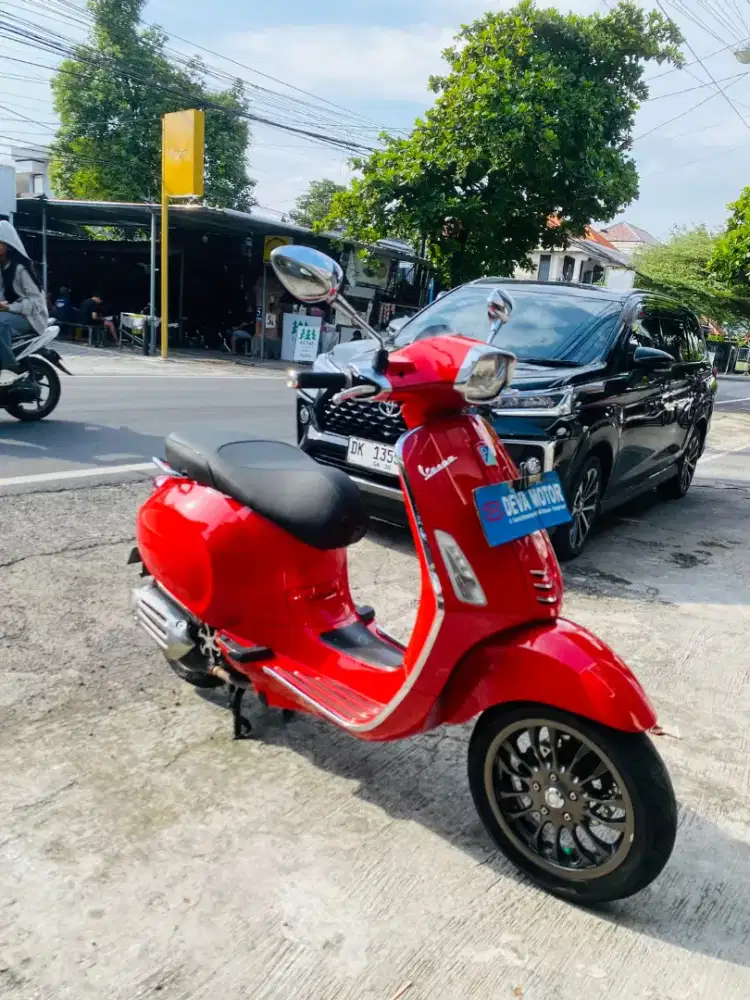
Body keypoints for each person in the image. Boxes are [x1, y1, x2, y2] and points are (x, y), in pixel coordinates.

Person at [0, 220, 49, 387]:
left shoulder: (20, 269)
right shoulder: (3, 268)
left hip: (32, 318)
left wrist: (9, 307)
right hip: (13, 314)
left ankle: (9, 369)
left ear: (7, 246)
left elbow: (36, 302)